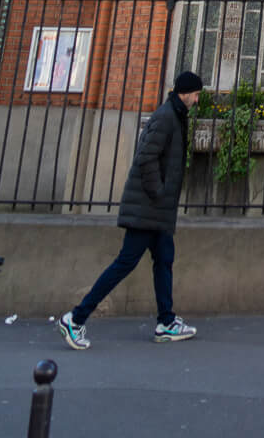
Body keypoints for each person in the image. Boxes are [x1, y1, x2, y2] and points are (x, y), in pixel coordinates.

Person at [58, 68, 204, 348]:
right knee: (125, 263)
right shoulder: (166, 118)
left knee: (164, 260)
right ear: (185, 93)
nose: (197, 100)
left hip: (155, 211)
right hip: (148, 209)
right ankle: (75, 319)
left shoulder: (174, 115)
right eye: (196, 94)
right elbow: (145, 157)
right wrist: (159, 193)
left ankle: (166, 321)